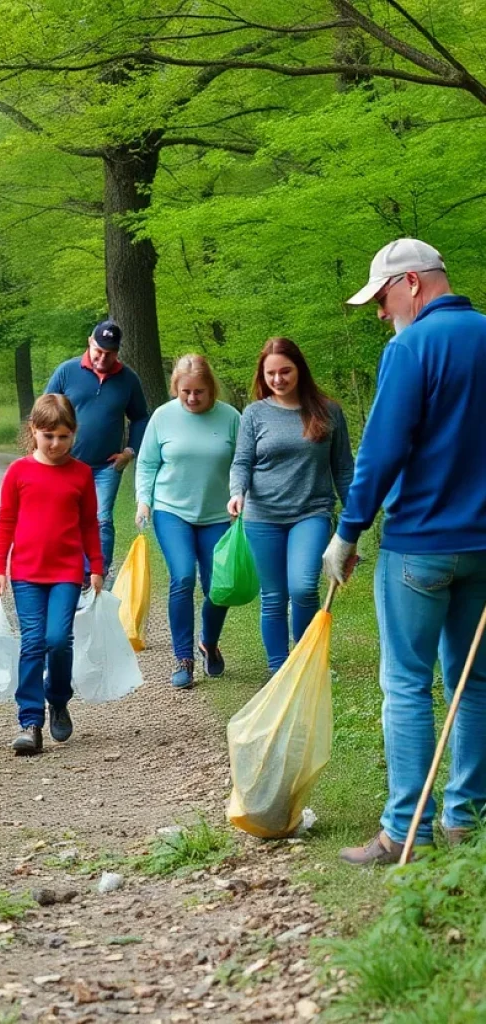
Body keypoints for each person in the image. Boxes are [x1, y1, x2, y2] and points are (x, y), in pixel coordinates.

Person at [322, 239, 486, 865]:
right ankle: (465, 821)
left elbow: (382, 450)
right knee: (475, 682)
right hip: (482, 547)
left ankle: (405, 833)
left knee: (408, 684)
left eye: (383, 298)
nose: (380, 312)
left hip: (419, 545)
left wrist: (348, 531)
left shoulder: (411, 347)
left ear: (411, 283)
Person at [228, 338, 353, 675]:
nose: (278, 379)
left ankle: (304, 662)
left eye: (285, 371)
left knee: (302, 587)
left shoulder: (328, 411)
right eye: (270, 374)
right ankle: (278, 669)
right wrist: (237, 492)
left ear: (300, 369)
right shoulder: (254, 414)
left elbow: (344, 469)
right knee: (273, 596)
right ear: (262, 375)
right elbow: (242, 461)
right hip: (262, 516)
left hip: (311, 512)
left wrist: (355, 517)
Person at [0, 394, 104, 756]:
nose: (55, 444)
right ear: (33, 431)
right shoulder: (19, 472)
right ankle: (30, 721)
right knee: (32, 642)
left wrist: (96, 565)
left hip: (66, 572)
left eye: (63, 437)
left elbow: (89, 524)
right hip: (26, 573)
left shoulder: (81, 474)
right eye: (48, 436)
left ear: (74, 434)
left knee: (57, 639)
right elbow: (6, 521)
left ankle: (57, 698)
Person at [136, 355, 240, 690]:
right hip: (172, 510)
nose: (192, 398)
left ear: (211, 389)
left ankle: (208, 642)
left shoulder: (231, 418)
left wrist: (242, 496)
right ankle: (183, 658)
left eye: (199, 392)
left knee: (218, 587)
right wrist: (144, 500)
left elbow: (243, 462)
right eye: (186, 392)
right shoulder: (162, 417)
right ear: (175, 389)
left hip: (217, 514)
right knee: (182, 577)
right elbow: (147, 463)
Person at [45, 320, 149, 582]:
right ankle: (69, 572)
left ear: (118, 352)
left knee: (102, 519)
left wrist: (129, 451)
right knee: (67, 517)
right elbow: (44, 410)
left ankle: (97, 574)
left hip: (107, 465)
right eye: (99, 351)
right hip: (67, 462)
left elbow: (140, 417)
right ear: (90, 343)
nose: (103, 358)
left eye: (109, 354)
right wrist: (48, 450)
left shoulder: (128, 379)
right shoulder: (67, 371)